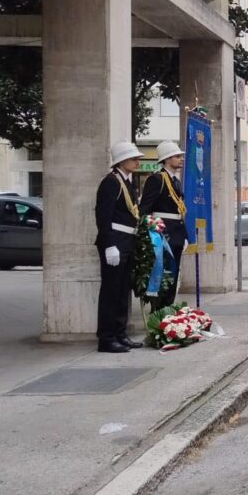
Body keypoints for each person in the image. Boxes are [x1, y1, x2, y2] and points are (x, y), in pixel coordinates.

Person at [94, 141, 145, 353]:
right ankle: (106, 338)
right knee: (111, 291)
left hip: (127, 241)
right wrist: (109, 245)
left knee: (123, 291)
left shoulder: (126, 182)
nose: (137, 161)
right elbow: (103, 215)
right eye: (134, 159)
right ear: (122, 161)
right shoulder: (111, 182)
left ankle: (120, 333)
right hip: (115, 241)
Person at [139, 140, 186, 310]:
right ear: (166, 159)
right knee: (163, 275)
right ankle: (158, 312)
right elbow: (144, 209)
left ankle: (168, 310)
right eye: (177, 156)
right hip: (163, 233)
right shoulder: (156, 179)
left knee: (173, 276)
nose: (181, 159)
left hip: (177, 233)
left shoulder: (175, 181)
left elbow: (179, 211)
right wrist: (154, 232)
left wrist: (184, 235)